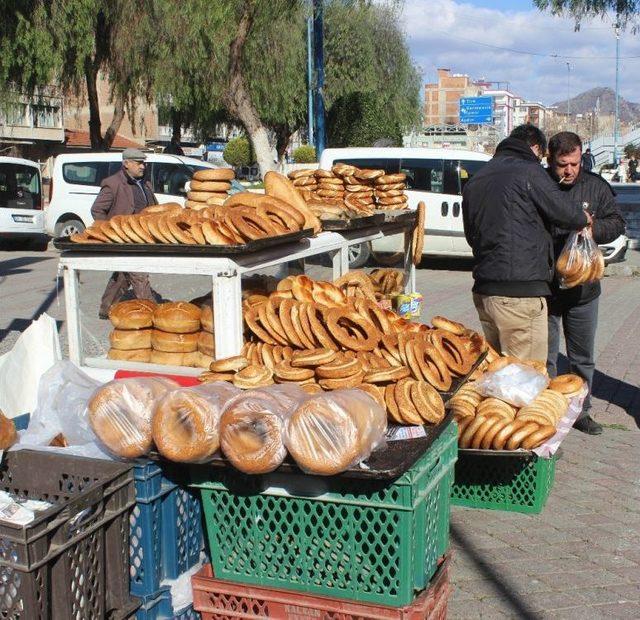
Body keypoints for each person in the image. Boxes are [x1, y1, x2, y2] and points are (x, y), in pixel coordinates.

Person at [462, 124, 591, 362]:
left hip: (485, 292)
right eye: (541, 155)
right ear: (535, 148)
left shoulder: (478, 178)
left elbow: (471, 236)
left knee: (499, 375)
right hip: (520, 295)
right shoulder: (529, 171)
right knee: (526, 382)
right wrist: (584, 218)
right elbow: (566, 213)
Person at [546, 132, 626, 435]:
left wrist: (594, 227)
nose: (569, 170)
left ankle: (581, 412)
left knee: (582, 358)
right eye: (563, 164)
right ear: (550, 160)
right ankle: (549, 413)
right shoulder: (541, 185)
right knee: (547, 358)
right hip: (548, 287)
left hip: (584, 290)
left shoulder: (595, 185)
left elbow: (617, 222)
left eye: (575, 164)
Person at [91, 148, 158, 319]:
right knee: (138, 272)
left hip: (143, 238)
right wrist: (109, 233)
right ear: (126, 164)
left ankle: (106, 308)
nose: (143, 166)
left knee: (122, 276)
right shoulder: (112, 183)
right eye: (139, 163)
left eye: (144, 163)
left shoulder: (146, 184)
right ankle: (152, 311)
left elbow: (154, 209)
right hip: (123, 239)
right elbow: (97, 210)